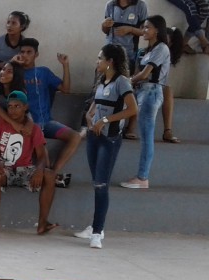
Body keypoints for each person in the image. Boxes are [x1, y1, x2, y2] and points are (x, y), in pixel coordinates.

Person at [75, 44, 138, 249]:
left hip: (109, 139)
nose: (97, 61)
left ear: (110, 61)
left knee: (102, 184)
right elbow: (95, 104)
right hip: (94, 137)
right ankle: (96, 225)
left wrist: (105, 120)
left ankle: (97, 232)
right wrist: (89, 115)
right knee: (96, 182)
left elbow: (132, 109)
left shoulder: (122, 82)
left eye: (100, 58)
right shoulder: (102, 81)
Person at [0, 90, 59, 235]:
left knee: (50, 175)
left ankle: (42, 224)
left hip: (25, 169)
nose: (12, 110)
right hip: (5, 168)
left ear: (25, 107)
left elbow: (41, 155)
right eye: (10, 106)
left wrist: (39, 170)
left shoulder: (34, 128)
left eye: (17, 106)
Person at [120, 15, 183, 190]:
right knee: (145, 136)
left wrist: (127, 81)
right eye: (143, 27)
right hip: (143, 92)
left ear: (157, 30)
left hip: (152, 92)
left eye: (148, 27)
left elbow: (145, 74)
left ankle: (143, 177)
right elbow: (139, 73)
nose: (144, 30)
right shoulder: (147, 50)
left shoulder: (162, 48)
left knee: (147, 138)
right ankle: (141, 176)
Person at [18, 38, 81, 188]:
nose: (25, 55)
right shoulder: (15, 73)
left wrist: (65, 65)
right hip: (28, 124)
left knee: (75, 136)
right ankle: (50, 176)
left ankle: (54, 172)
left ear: (36, 54)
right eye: (22, 52)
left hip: (47, 122)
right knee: (39, 138)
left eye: (29, 52)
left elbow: (66, 89)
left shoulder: (43, 72)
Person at [103, 0, 148, 72]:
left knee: (125, 76)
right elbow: (106, 31)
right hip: (110, 51)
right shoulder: (110, 4)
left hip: (129, 53)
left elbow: (145, 31)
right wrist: (104, 25)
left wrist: (130, 29)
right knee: (107, 76)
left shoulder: (140, 5)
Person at [0, 10, 30, 79]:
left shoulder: (26, 43)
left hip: (17, 79)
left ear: (22, 27)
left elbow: (28, 66)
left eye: (13, 23)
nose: (9, 26)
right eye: (8, 22)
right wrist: (3, 65)